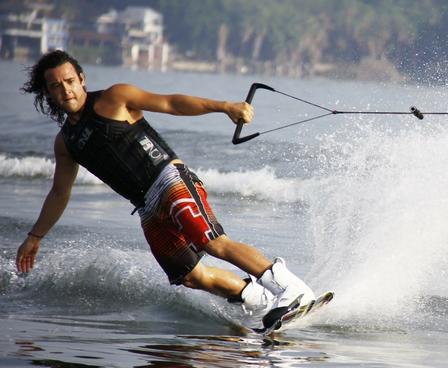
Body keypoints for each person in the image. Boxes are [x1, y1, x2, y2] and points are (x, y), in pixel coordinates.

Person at [15, 50, 315, 330]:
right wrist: (35, 237)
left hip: (169, 179)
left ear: (82, 79)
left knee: (212, 242)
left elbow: (172, 103)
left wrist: (224, 107)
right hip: (147, 207)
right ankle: (262, 303)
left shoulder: (115, 98)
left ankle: (290, 288)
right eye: (55, 86)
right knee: (191, 276)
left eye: (70, 81)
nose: (65, 90)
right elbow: (59, 193)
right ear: (48, 93)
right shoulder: (66, 142)